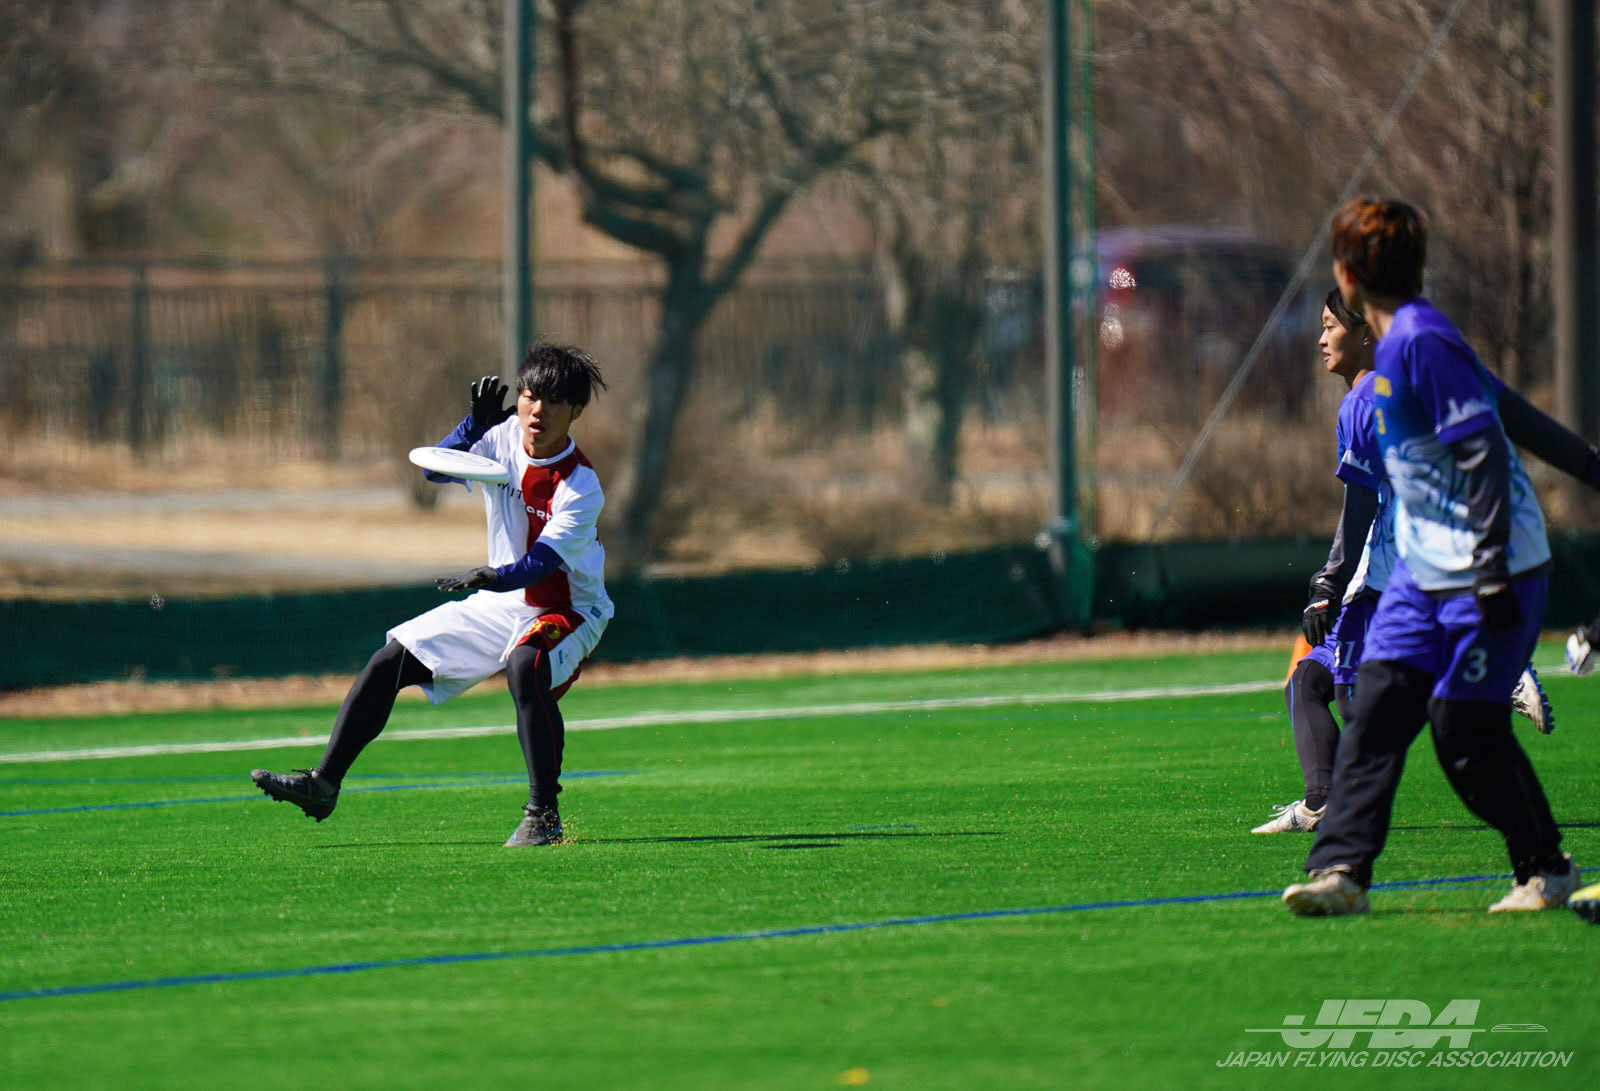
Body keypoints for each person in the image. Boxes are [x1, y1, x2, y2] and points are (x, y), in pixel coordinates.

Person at [1283, 195, 1580, 915]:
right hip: (1421, 572)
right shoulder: (1395, 350)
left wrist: (1490, 569)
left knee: (1463, 730)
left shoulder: (1421, 340)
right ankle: (1342, 872)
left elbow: (1484, 452)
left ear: (1348, 275)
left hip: (1494, 565)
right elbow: (1517, 413)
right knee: (1376, 713)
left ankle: (1545, 868)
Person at [251, 341, 612, 848]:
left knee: (526, 665)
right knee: (389, 661)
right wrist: (472, 425)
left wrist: (491, 576)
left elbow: (541, 565)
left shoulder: (580, 485)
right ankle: (323, 784)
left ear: (576, 410)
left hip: (568, 608)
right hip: (502, 598)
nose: (537, 410)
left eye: (553, 401)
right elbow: (434, 469)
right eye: (530, 396)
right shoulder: (503, 435)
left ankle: (543, 816)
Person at [1256, 287, 1558, 835]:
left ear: (1365, 334)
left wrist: (1329, 582)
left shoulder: (1364, 400)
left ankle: (1494, 678)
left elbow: (1360, 506)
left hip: (1396, 572)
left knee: (1353, 700)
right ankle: (1326, 803)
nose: (1321, 338)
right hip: (1429, 561)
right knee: (1312, 681)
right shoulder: (1406, 384)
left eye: (1330, 325)